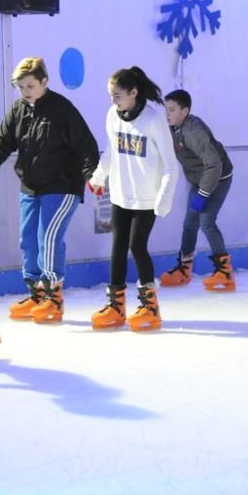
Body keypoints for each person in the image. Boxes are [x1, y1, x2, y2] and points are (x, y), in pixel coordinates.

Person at [0, 57, 100, 324]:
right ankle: (36, 292)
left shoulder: (63, 109)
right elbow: (2, 141)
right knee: (28, 239)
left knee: (50, 237)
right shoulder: (19, 109)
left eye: (30, 85)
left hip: (63, 184)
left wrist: (92, 175)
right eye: (21, 87)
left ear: (44, 81)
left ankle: (53, 297)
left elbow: (86, 145)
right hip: (31, 185)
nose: (25, 92)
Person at [88, 66, 179, 331]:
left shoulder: (153, 120)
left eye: (117, 95)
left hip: (146, 198)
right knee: (117, 247)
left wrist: (163, 199)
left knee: (137, 246)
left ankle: (150, 306)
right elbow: (111, 152)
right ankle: (116, 307)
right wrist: (97, 178)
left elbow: (171, 164)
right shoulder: (112, 116)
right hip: (120, 194)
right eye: (111, 95)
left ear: (134, 93)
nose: (113, 100)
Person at [158, 89, 237, 292]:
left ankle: (225, 273)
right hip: (198, 180)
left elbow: (214, 164)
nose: (167, 114)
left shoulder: (194, 131)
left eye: (172, 110)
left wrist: (202, 195)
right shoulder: (173, 128)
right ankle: (184, 268)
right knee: (189, 223)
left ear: (185, 111)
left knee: (206, 222)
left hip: (218, 179)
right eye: (166, 109)